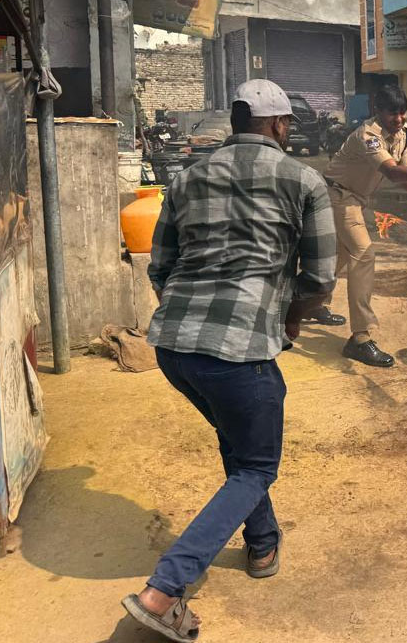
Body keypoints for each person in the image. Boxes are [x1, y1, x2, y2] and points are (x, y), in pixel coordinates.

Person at [123, 79, 338, 641]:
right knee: (256, 465)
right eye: (288, 124)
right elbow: (319, 277)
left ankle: (262, 543)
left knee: (236, 441)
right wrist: (290, 319)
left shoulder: (188, 177)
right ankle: (164, 589)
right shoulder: (303, 179)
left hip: (173, 345)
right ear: (279, 125)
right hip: (239, 350)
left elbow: (160, 263)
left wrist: (182, 312)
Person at [318, 84, 407, 367]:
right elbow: (391, 170)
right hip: (337, 195)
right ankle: (360, 339)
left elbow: (404, 179)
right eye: (393, 113)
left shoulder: (402, 136)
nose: (400, 118)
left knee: (343, 255)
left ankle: (309, 300)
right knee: (363, 253)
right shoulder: (368, 136)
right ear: (377, 111)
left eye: (402, 112)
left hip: (355, 199)